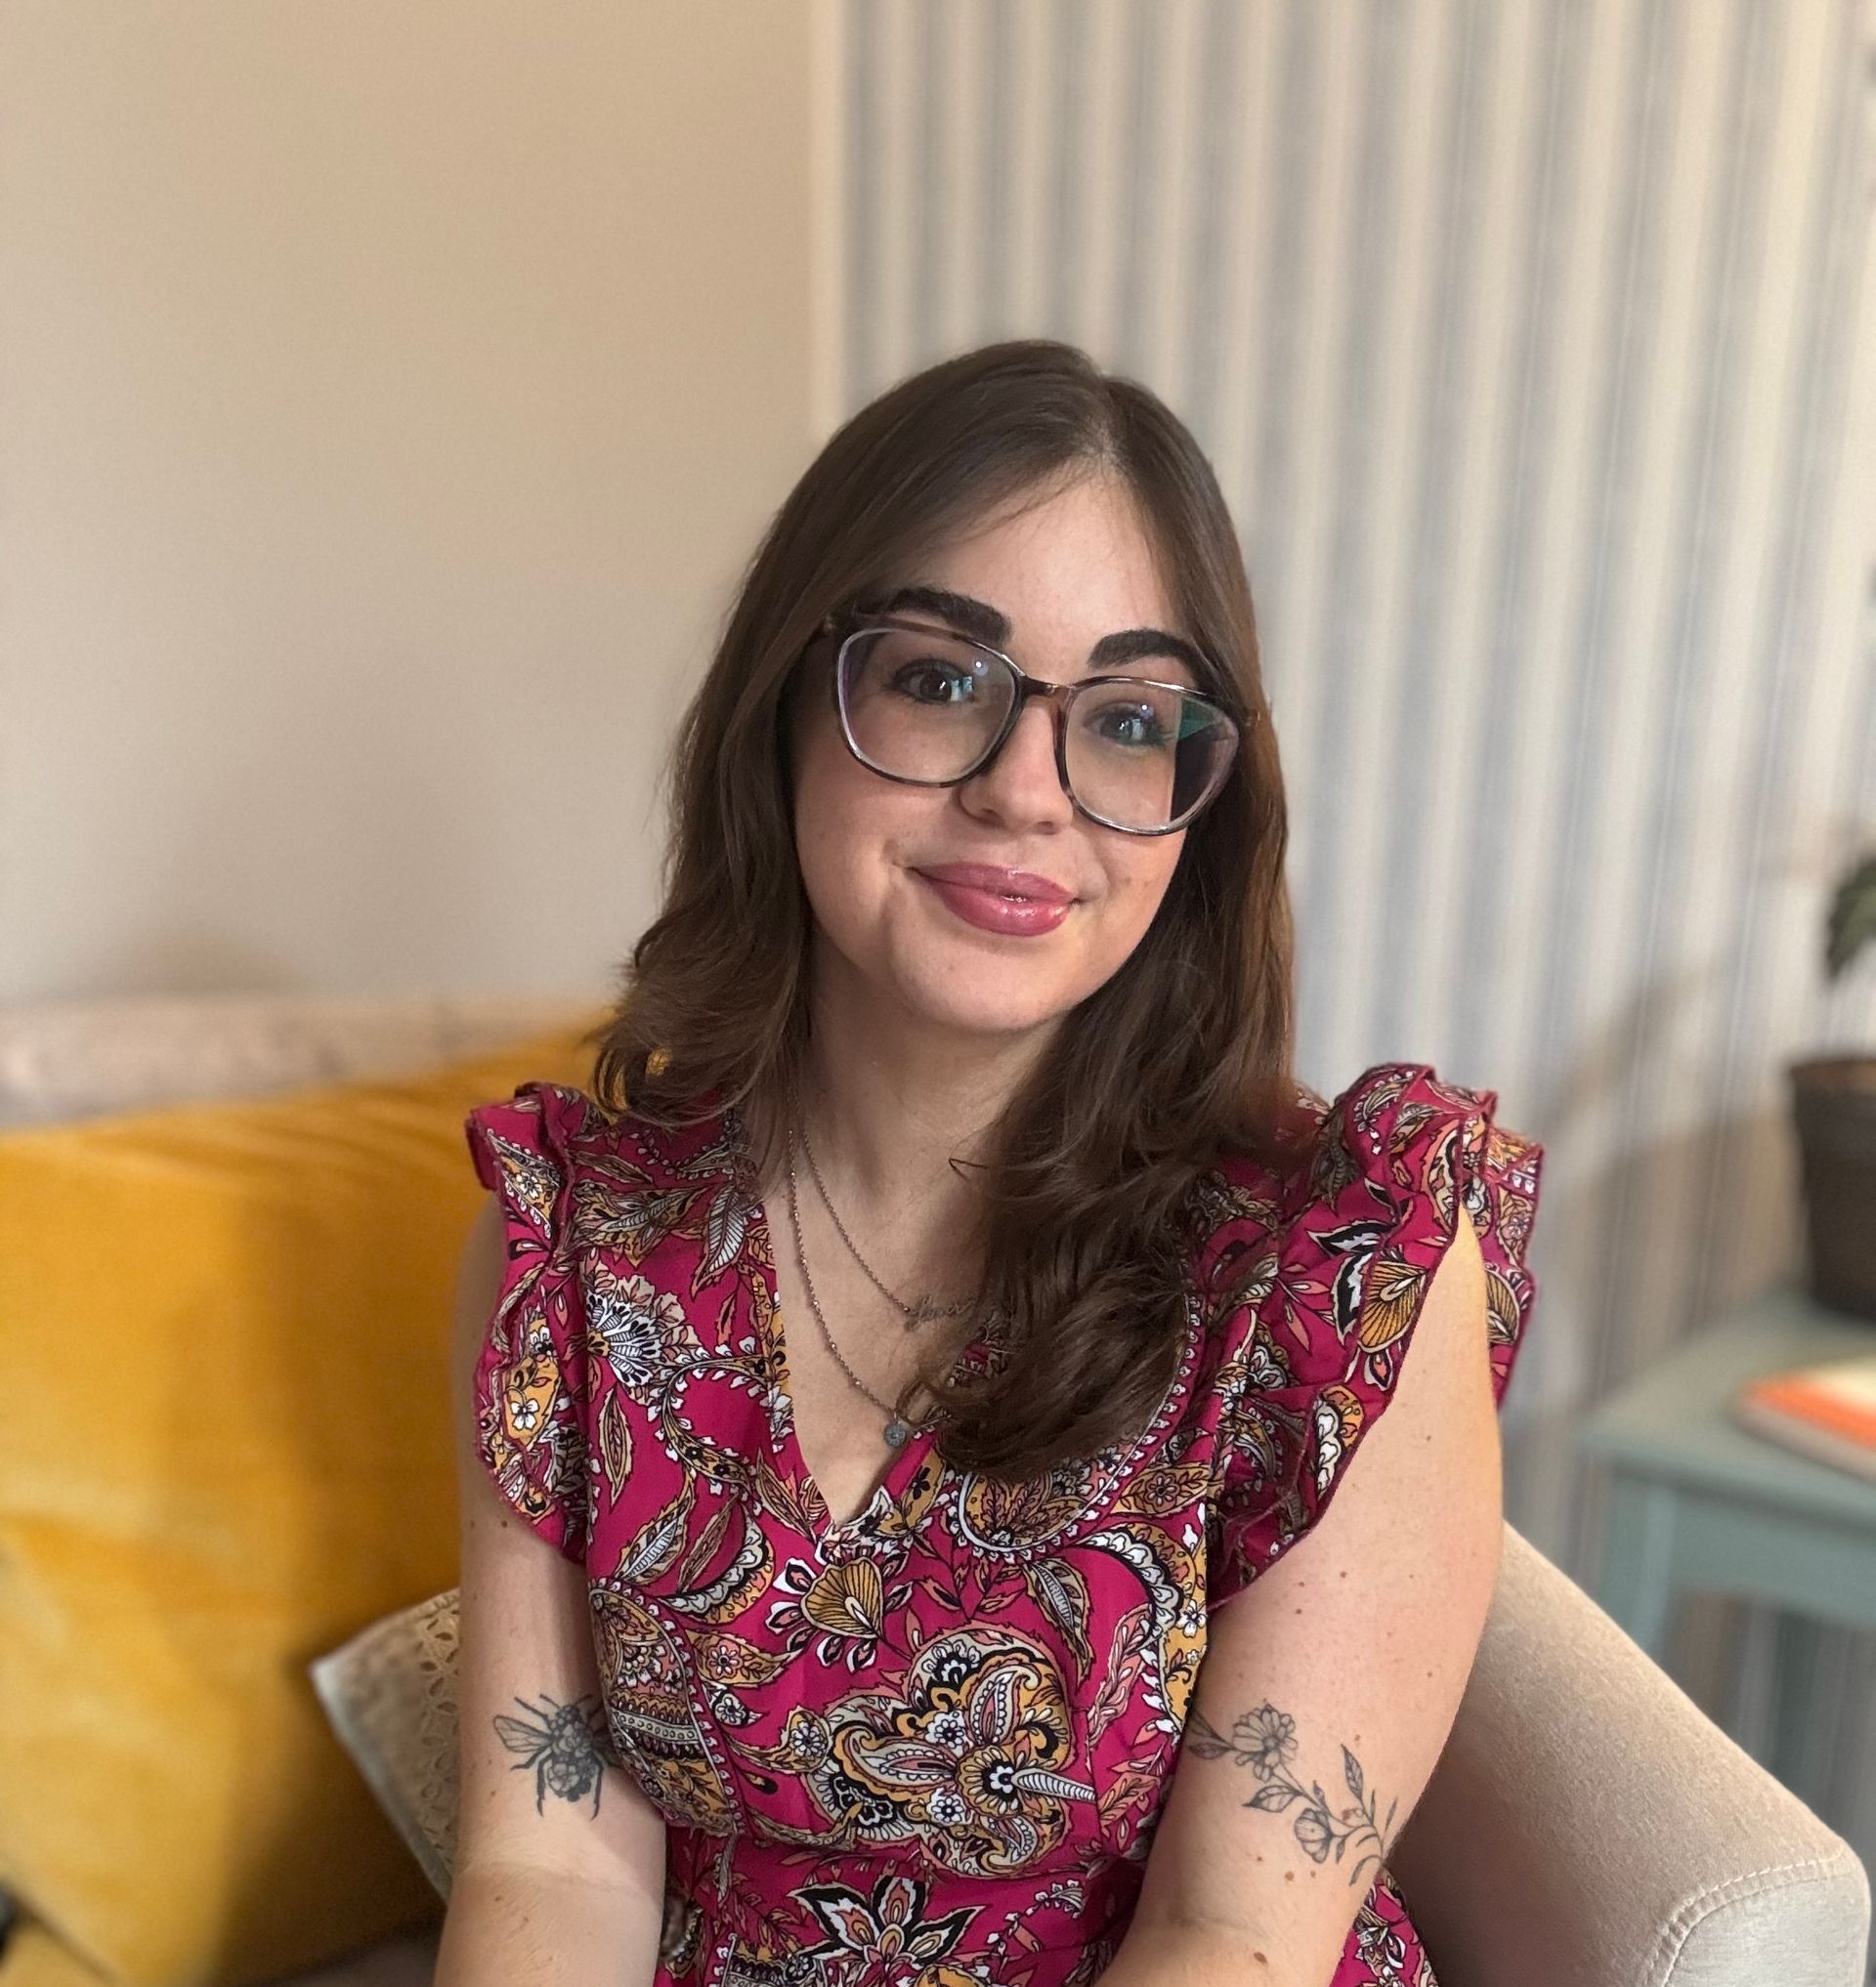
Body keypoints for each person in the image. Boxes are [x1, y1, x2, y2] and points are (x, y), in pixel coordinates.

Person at [433, 339, 1544, 1987]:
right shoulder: (576, 1243)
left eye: (1129, 718)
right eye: (943, 678)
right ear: (791, 703)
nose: (1030, 792)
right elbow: (549, 1867)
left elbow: (1233, 1931)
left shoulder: (1334, 1262)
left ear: (1197, 796)